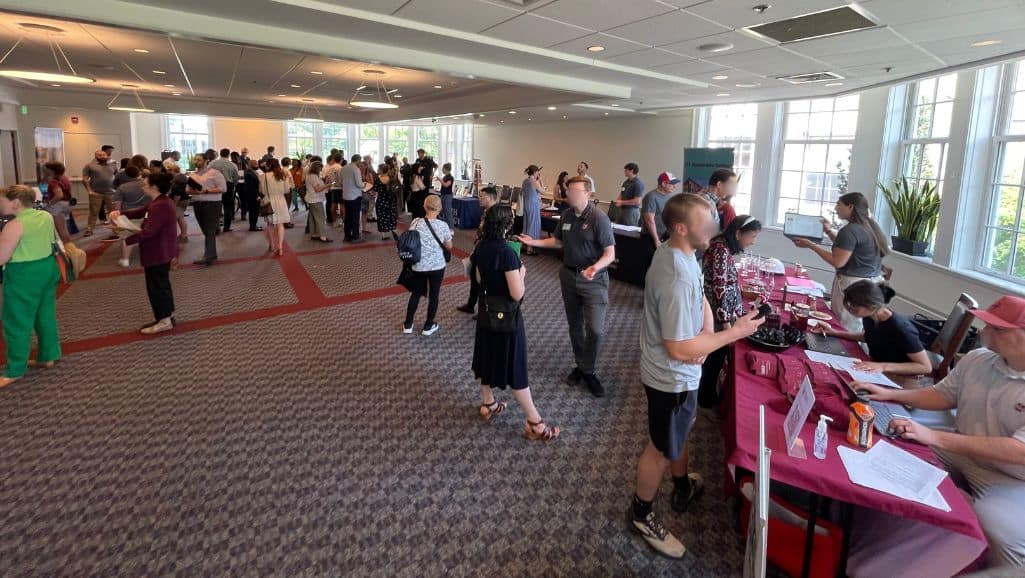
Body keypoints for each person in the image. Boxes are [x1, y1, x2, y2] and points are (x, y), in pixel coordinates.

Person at [630, 193, 764, 559]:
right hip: (670, 378)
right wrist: (732, 334)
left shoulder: (685, 253)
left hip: (682, 372)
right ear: (681, 228)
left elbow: (702, 297)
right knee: (659, 449)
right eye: (706, 223)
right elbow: (677, 348)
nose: (715, 228)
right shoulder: (673, 273)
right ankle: (641, 514)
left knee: (679, 434)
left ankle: (681, 482)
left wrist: (708, 334)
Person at [854, 295, 1025, 569]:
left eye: (998, 329)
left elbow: (1019, 451)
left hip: (1011, 476)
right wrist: (888, 394)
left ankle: (1002, 571)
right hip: (961, 450)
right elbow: (942, 396)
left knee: (998, 528)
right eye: (988, 325)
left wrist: (934, 436)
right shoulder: (979, 359)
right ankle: (875, 543)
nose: (985, 332)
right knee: (891, 452)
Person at [517, 176, 616, 398]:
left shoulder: (599, 218)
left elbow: (611, 254)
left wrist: (594, 267)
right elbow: (558, 241)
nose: (569, 193)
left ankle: (587, 369)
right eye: (569, 189)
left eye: (573, 190)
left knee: (596, 330)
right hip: (568, 276)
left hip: (594, 280)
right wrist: (534, 242)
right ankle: (582, 366)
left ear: (587, 193)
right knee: (575, 326)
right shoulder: (567, 215)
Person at [472, 204, 560, 441]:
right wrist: (521, 273)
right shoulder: (507, 252)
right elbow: (516, 293)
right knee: (515, 367)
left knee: (487, 357)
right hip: (506, 317)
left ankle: (488, 403)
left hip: (486, 311)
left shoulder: (482, 245)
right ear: (508, 224)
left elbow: (479, 278)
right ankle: (535, 422)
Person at [792, 192, 888, 332]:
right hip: (871, 284)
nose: (836, 208)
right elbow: (846, 249)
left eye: (839, 204)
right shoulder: (869, 226)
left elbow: (838, 261)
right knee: (858, 325)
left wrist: (811, 245)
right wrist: (829, 231)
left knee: (844, 325)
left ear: (850, 206)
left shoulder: (850, 230)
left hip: (852, 285)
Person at [0, 185, 62, 387]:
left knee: (16, 322)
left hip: (23, 275)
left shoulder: (15, 225)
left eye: (2, 202)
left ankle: (15, 369)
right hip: (47, 268)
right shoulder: (45, 216)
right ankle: (48, 356)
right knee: (45, 314)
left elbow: (2, 257)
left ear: (15, 203)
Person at [699, 215, 762, 408]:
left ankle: (708, 396)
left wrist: (742, 293)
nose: (753, 242)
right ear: (738, 233)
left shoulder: (722, 247)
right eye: (751, 236)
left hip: (722, 315)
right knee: (714, 360)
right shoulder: (719, 250)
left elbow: (724, 282)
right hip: (719, 319)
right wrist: (728, 328)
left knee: (716, 359)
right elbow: (718, 291)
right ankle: (706, 401)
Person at [109, 172, 179, 334]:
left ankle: (164, 320)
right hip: (159, 250)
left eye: (145, 184)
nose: (143, 187)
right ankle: (167, 315)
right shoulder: (159, 201)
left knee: (157, 287)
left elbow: (149, 232)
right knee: (161, 285)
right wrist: (122, 214)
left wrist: (126, 240)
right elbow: (141, 212)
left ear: (154, 187)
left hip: (158, 251)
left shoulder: (160, 205)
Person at [816, 281, 931, 377]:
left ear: (872, 306)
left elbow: (925, 367)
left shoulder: (901, 328)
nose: (849, 308)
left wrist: (883, 366)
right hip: (877, 367)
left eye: (854, 306)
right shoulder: (870, 316)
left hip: (901, 377)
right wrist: (835, 333)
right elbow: (870, 336)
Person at [404, 195, 452, 336]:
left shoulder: (416, 222)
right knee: (434, 295)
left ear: (424, 206)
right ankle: (428, 325)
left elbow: (410, 240)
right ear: (440, 208)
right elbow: (449, 246)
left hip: (419, 265)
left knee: (416, 294)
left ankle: (408, 324)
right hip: (437, 266)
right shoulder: (443, 226)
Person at [457, 186, 499, 315]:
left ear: (491, 198)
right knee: (475, 279)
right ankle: (471, 305)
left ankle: (484, 311)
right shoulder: (487, 211)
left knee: (483, 282)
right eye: (480, 196)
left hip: (487, 251)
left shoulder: (496, 213)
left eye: (483, 197)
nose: (479, 199)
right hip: (479, 249)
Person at [187, 153, 227, 267]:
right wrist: (195, 191)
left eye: (199, 160)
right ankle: (212, 254)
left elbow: (223, 188)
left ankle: (208, 256)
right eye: (195, 159)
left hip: (212, 204)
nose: (196, 162)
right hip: (197, 203)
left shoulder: (215, 173)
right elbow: (187, 190)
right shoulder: (193, 175)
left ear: (206, 161)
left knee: (209, 231)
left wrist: (206, 191)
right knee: (205, 230)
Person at [113, 165, 150, 268]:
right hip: (148, 213)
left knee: (127, 237)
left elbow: (117, 205)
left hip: (129, 215)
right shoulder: (149, 184)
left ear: (126, 175)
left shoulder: (122, 187)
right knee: (147, 233)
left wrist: (117, 217)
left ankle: (125, 260)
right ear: (140, 172)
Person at [258, 158, 292, 256]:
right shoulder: (283, 175)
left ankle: (272, 245)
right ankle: (280, 247)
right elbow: (286, 190)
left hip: (269, 201)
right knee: (280, 224)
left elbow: (261, 191)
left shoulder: (263, 176)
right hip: (281, 201)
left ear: (268, 165)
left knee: (270, 224)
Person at [83, 149, 117, 238]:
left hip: (111, 193)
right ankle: (89, 230)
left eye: (103, 155)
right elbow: (85, 178)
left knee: (114, 213)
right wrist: (89, 190)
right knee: (93, 212)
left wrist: (117, 189)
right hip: (96, 193)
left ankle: (116, 230)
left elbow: (117, 177)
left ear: (107, 155)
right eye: (99, 155)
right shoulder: (89, 165)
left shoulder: (113, 165)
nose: (102, 157)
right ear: (95, 157)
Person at [641, 172, 680, 248]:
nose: (674, 187)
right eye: (672, 184)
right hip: (651, 237)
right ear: (663, 184)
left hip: (664, 236)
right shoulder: (651, 197)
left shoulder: (669, 197)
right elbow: (649, 220)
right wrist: (656, 240)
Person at [210, 148, 240, 233]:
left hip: (215, 186)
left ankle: (216, 228)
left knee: (215, 207)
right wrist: (233, 184)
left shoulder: (213, 163)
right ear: (228, 155)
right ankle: (226, 227)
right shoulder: (233, 165)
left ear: (220, 154)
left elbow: (207, 173)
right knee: (228, 208)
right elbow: (236, 178)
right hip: (228, 186)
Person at [43, 161, 73, 243]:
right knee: (64, 228)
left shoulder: (53, 181)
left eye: (46, 169)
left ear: (52, 170)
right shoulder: (64, 178)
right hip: (67, 204)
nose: (45, 171)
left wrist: (48, 203)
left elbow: (59, 195)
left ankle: (68, 250)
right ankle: (69, 248)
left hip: (58, 206)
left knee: (60, 230)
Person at [304, 161, 332, 243]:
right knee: (320, 217)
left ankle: (314, 234)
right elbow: (318, 189)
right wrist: (329, 185)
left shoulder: (311, 175)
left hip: (312, 199)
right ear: (317, 168)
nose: (321, 170)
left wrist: (326, 182)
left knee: (313, 218)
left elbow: (318, 186)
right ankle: (322, 236)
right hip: (315, 199)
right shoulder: (313, 176)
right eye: (320, 168)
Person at [341, 153, 366, 243]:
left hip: (346, 195)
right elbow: (359, 184)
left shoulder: (344, 168)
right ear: (358, 160)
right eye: (360, 161)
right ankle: (356, 236)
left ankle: (347, 236)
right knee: (355, 217)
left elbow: (340, 181)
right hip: (355, 196)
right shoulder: (356, 169)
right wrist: (365, 185)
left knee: (348, 217)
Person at [520, 165, 544, 256]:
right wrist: (541, 180)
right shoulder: (533, 181)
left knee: (526, 224)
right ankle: (530, 249)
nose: (538, 173)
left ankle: (523, 245)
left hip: (526, 205)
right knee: (533, 225)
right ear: (534, 172)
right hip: (533, 205)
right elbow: (543, 191)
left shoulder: (525, 181)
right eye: (537, 172)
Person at [165, 159, 189, 244]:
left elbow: (177, 193)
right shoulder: (181, 177)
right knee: (180, 218)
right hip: (183, 200)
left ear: (173, 170)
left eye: (169, 171)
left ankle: (184, 236)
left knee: (180, 218)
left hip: (180, 200)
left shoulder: (178, 178)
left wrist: (174, 204)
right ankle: (183, 235)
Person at [374, 163, 399, 241]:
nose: (377, 170)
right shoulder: (391, 178)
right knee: (391, 215)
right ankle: (394, 230)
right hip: (391, 200)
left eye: (378, 169)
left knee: (381, 216)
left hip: (381, 200)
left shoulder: (377, 179)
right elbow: (396, 189)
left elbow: (375, 189)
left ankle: (384, 235)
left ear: (381, 171)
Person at [615, 162, 644, 227]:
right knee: (618, 230)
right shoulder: (626, 182)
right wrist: (618, 200)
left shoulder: (638, 183)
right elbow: (622, 193)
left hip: (631, 212)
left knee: (628, 233)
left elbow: (637, 201)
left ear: (632, 171)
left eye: (626, 170)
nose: (624, 171)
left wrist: (622, 202)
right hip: (622, 210)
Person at [324, 153, 343, 225]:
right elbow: (341, 179)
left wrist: (332, 184)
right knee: (342, 205)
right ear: (341, 160)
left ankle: (334, 221)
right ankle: (343, 221)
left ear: (334, 159)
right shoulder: (340, 168)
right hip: (339, 188)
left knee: (333, 205)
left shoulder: (330, 167)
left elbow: (328, 179)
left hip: (333, 187)